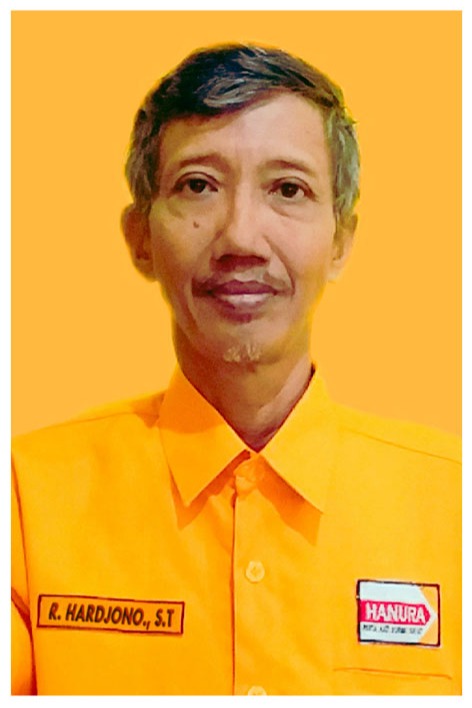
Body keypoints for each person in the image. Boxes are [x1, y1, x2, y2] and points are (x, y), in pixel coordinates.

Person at [11, 44, 461, 696]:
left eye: (288, 189)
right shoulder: (27, 501)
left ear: (340, 240)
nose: (241, 238)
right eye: (198, 185)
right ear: (140, 237)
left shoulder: (452, 506)